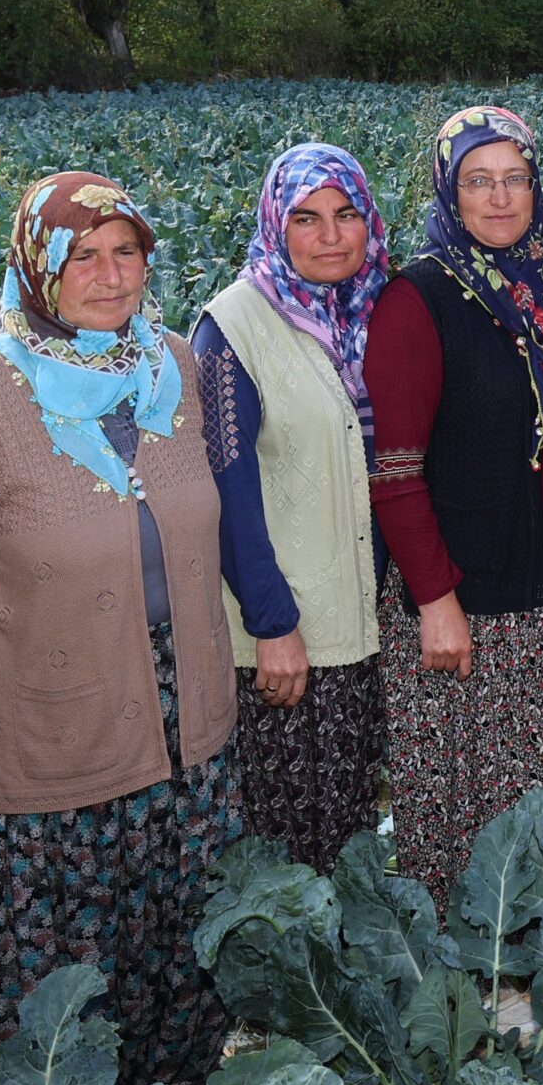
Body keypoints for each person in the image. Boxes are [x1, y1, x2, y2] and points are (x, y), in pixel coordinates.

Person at [0, 172, 241, 1085]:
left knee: (184, 941)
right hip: (48, 728)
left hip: (187, 719)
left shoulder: (175, 367)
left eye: (124, 250)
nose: (108, 274)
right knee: (66, 972)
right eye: (81, 256)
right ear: (37, 270)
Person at [365, 107, 543, 900]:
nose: (499, 199)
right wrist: (434, 599)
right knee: (469, 811)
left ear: (538, 186)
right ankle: (473, 992)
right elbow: (393, 470)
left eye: (515, 179)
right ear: (446, 190)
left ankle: (538, 980)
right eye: (477, 181)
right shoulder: (417, 299)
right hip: (465, 600)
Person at [192, 142, 393, 873]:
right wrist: (273, 625)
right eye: (307, 219)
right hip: (290, 636)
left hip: (365, 618)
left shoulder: (374, 306)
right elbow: (226, 486)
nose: (331, 236)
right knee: (290, 837)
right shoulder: (230, 330)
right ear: (276, 226)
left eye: (346, 215)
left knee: (349, 825)